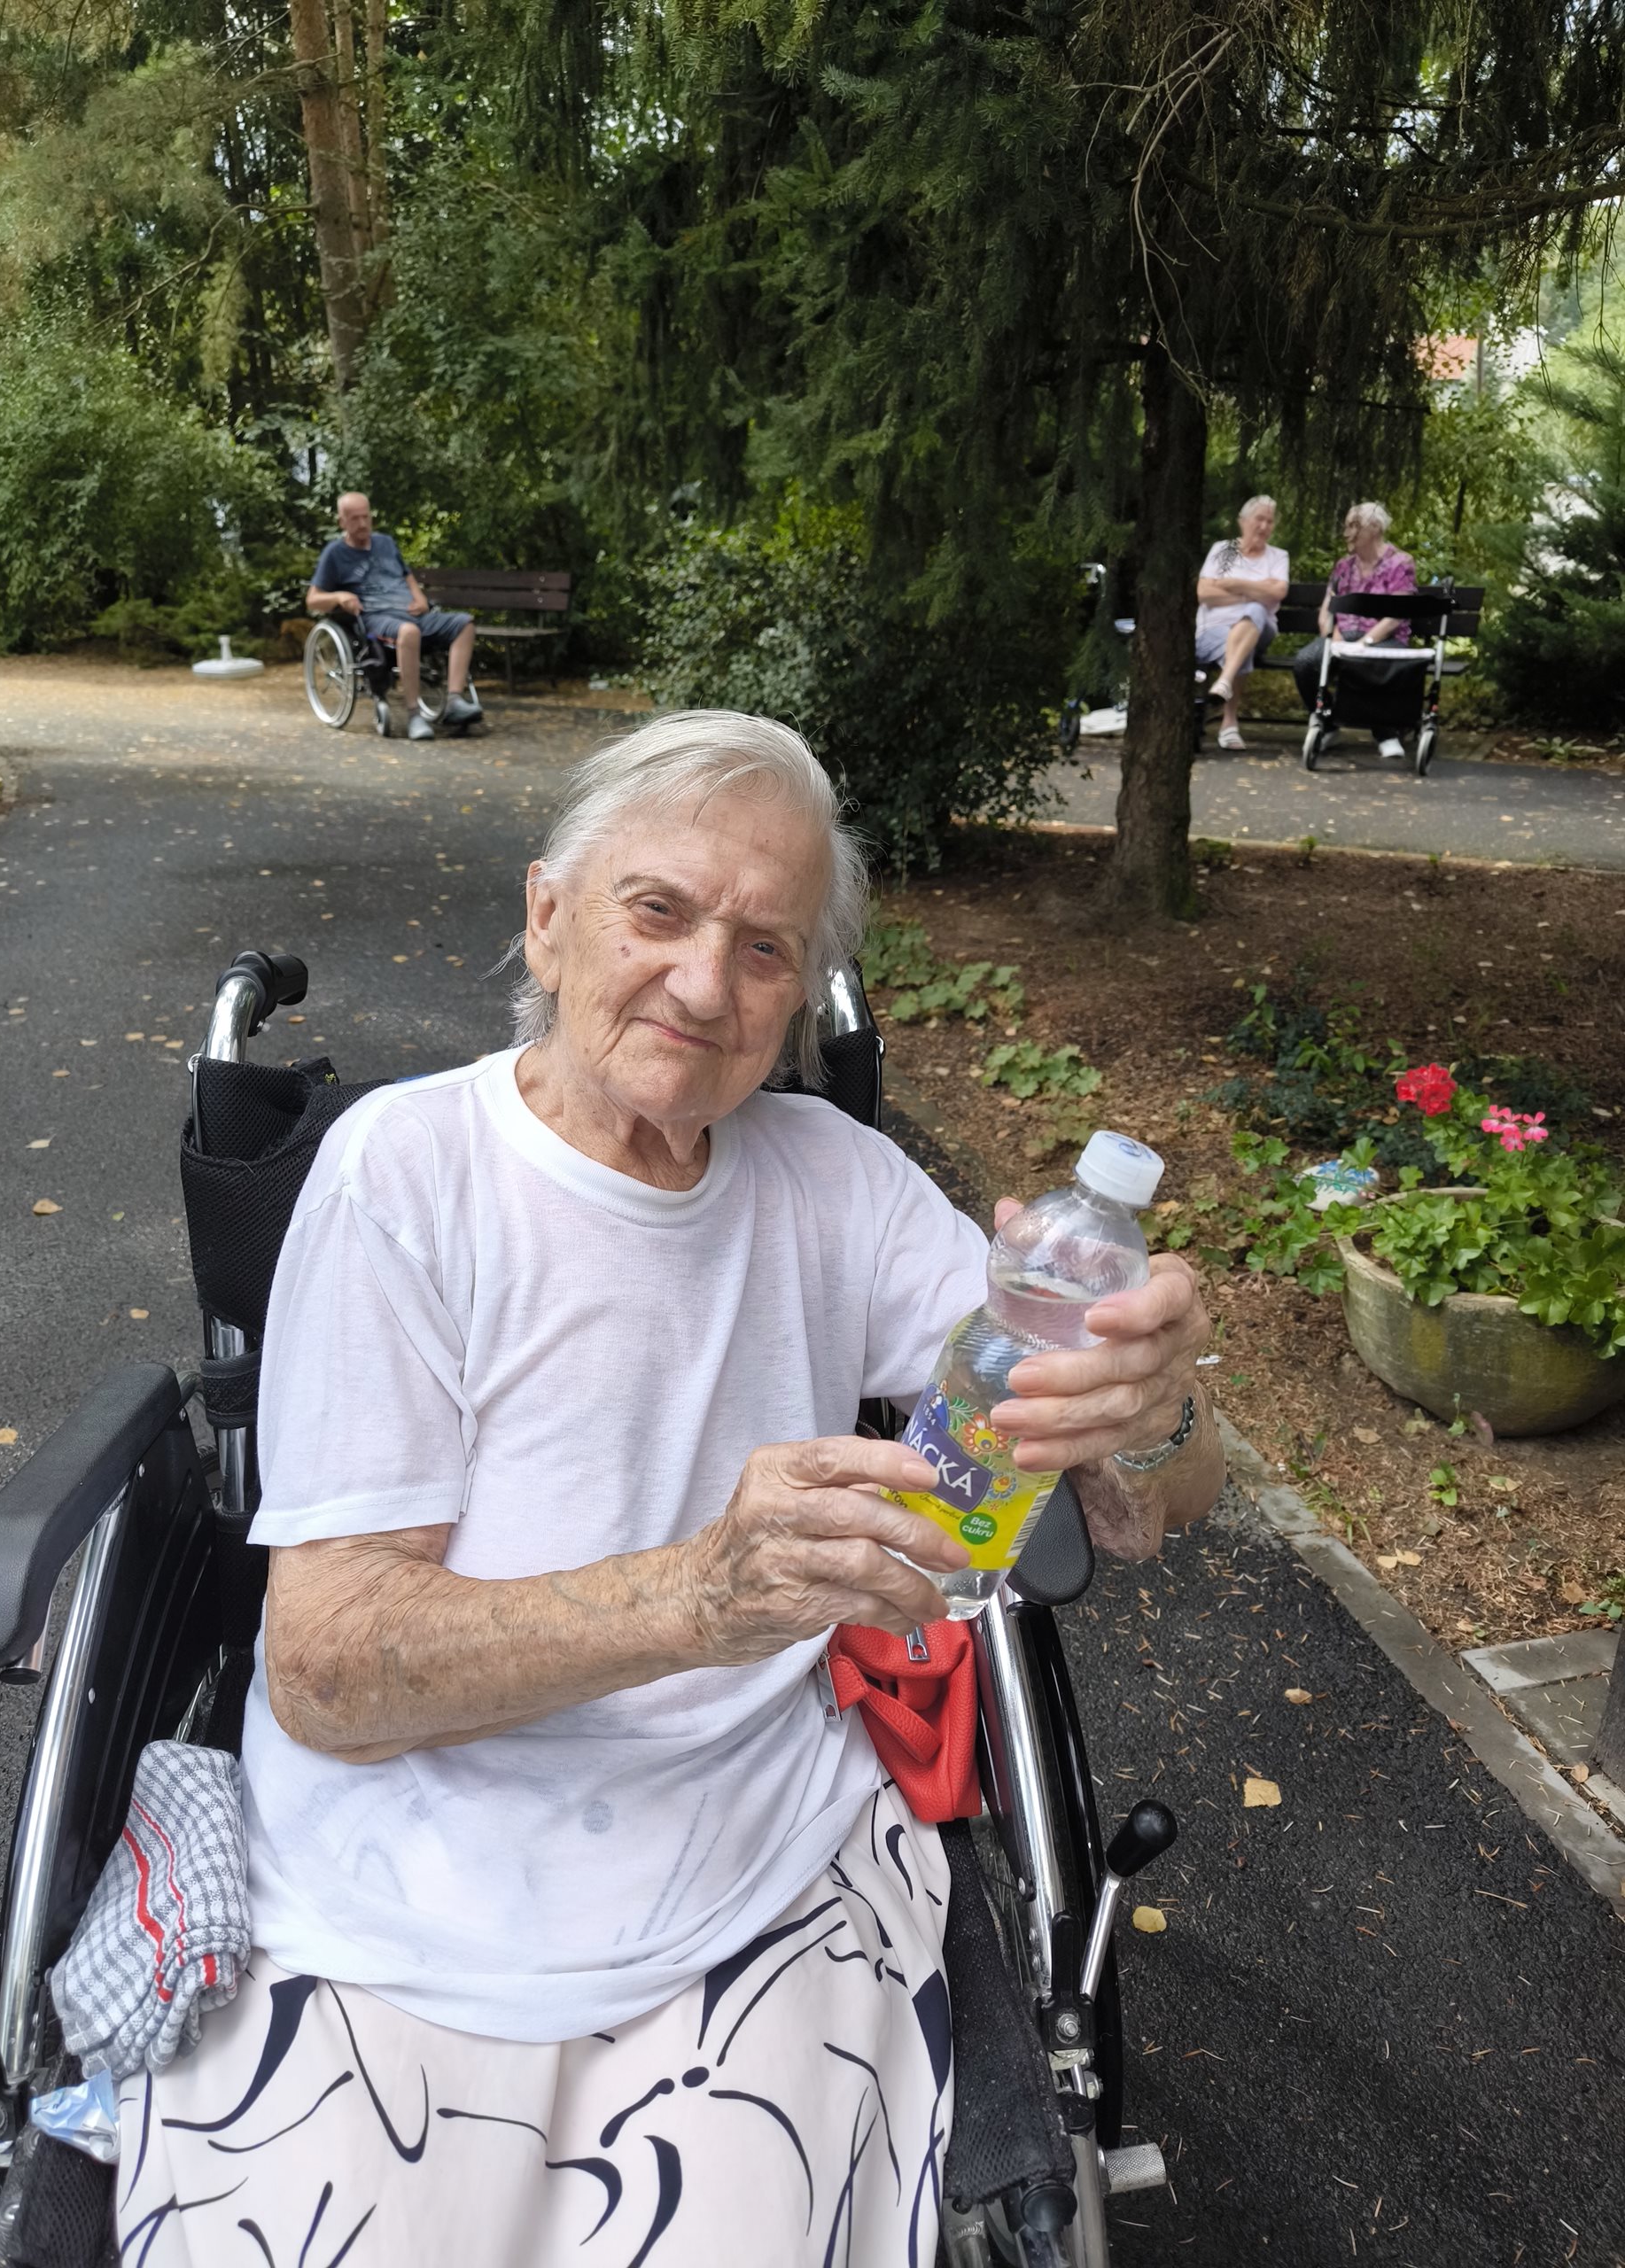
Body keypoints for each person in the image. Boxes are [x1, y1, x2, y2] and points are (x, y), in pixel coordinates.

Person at [114, 711, 1222, 2268]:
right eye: (659, 912)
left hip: (757, 1881)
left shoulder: (834, 1182)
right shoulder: (407, 1175)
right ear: (548, 916)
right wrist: (698, 1597)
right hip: (404, 1905)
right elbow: (327, 1672)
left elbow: (1147, 1501)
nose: (706, 986)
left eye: (767, 949)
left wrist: (1151, 1414)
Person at [306, 491, 479, 741]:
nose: (362, 523)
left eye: (366, 517)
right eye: (355, 518)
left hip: (413, 612)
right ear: (342, 522)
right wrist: (338, 597)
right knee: (409, 632)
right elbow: (312, 599)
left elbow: (407, 576)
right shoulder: (334, 553)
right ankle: (414, 715)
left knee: (464, 624)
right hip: (377, 618)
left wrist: (419, 598)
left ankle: (454, 701)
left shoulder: (386, 543)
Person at [1292, 501, 1421, 759]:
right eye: (1347, 526)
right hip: (1342, 637)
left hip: (1385, 639)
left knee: (1364, 661)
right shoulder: (1343, 566)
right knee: (1305, 663)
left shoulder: (1400, 563)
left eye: (1354, 526)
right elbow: (1327, 610)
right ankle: (1328, 726)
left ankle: (1385, 732)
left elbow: (1396, 614)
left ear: (1375, 528)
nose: (1346, 533)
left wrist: (1365, 642)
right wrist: (1333, 635)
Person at [1194, 494, 1289, 750]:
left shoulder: (1278, 556)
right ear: (1243, 521)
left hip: (1261, 629)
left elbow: (1278, 592)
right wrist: (1258, 589)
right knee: (1241, 644)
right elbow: (1204, 593)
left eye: (1270, 521)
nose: (1264, 526)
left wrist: (1234, 584)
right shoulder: (1223, 550)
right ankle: (1229, 723)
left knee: (1256, 612)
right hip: (1212, 629)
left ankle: (1225, 681)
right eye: (1259, 519)